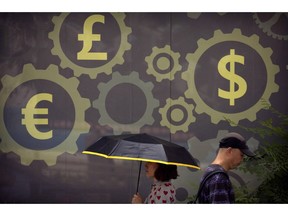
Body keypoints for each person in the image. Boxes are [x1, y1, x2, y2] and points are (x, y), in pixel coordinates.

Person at [198, 132, 256, 204]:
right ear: (230, 151)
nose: (242, 159)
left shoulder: (210, 170)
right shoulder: (218, 178)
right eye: (241, 155)